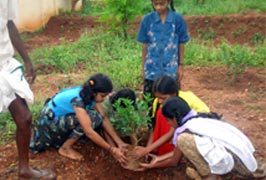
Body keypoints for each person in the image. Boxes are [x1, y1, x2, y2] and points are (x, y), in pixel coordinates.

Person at [139, 96, 266, 180]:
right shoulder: (199, 118)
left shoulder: (184, 133)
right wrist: (158, 159)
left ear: (174, 118)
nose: (167, 124)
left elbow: (174, 161)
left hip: (237, 168)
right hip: (246, 158)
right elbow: (175, 157)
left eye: (167, 120)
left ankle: (211, 175)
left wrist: (150, 166)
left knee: (184, 142)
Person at [0, 0, 56, 179]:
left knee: (24, 118)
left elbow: (9, 23)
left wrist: (27, 59)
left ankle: (24, 170)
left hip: (5, 64)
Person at [30, 73, 127, 165]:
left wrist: (120, 142)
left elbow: (104, 117)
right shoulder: (78, 100)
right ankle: (65, 148)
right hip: (49, 124)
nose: (104, 99)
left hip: (57, 119)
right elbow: (89, 132)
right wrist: (111, 150)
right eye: (102, 96)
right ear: (94, 92)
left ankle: (66, 140)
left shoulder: (88, 93)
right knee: (93, 118)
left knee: (97, 117)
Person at [132, 75, 210, 159]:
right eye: (157, 97)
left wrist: (147, 150)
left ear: (174, 93)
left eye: (163, 98)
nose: (159, 101)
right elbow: (154, 128)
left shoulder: (183, 102)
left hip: (200, 131)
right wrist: (148, 150)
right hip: (180, 127)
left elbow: (172, 132)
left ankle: (176, 154)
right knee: (160, 113)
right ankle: (163, 151)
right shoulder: (157, 102)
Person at [137, 0, 190, 96]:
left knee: (170, 104)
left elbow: (181, 43)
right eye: (155, 4)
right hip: (152, 70)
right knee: (150, 103)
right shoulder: (147, 20)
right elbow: (144, 45)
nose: (158, 7)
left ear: (168, 2)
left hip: (171, 70)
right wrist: (143, 68)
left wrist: (180, 66)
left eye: (162, 4)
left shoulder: (177, 19)